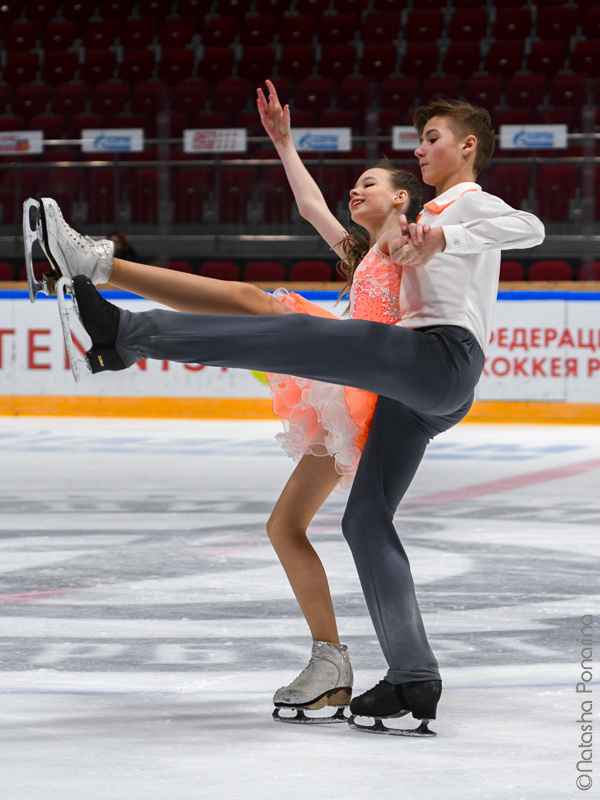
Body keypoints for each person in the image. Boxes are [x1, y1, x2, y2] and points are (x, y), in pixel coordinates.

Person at [31, 94, 544, 735]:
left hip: (436, 357)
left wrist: (445, 234)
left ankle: (127, 332)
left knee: (286, 329)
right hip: (418, 390)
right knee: (364, 520)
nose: (420, 149)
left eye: (432, 138)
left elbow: (531, 230)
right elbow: (325, 219)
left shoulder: (459, 202)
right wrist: (285, 145)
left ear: (467, 147)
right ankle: (414, 676)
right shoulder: (399, 231)